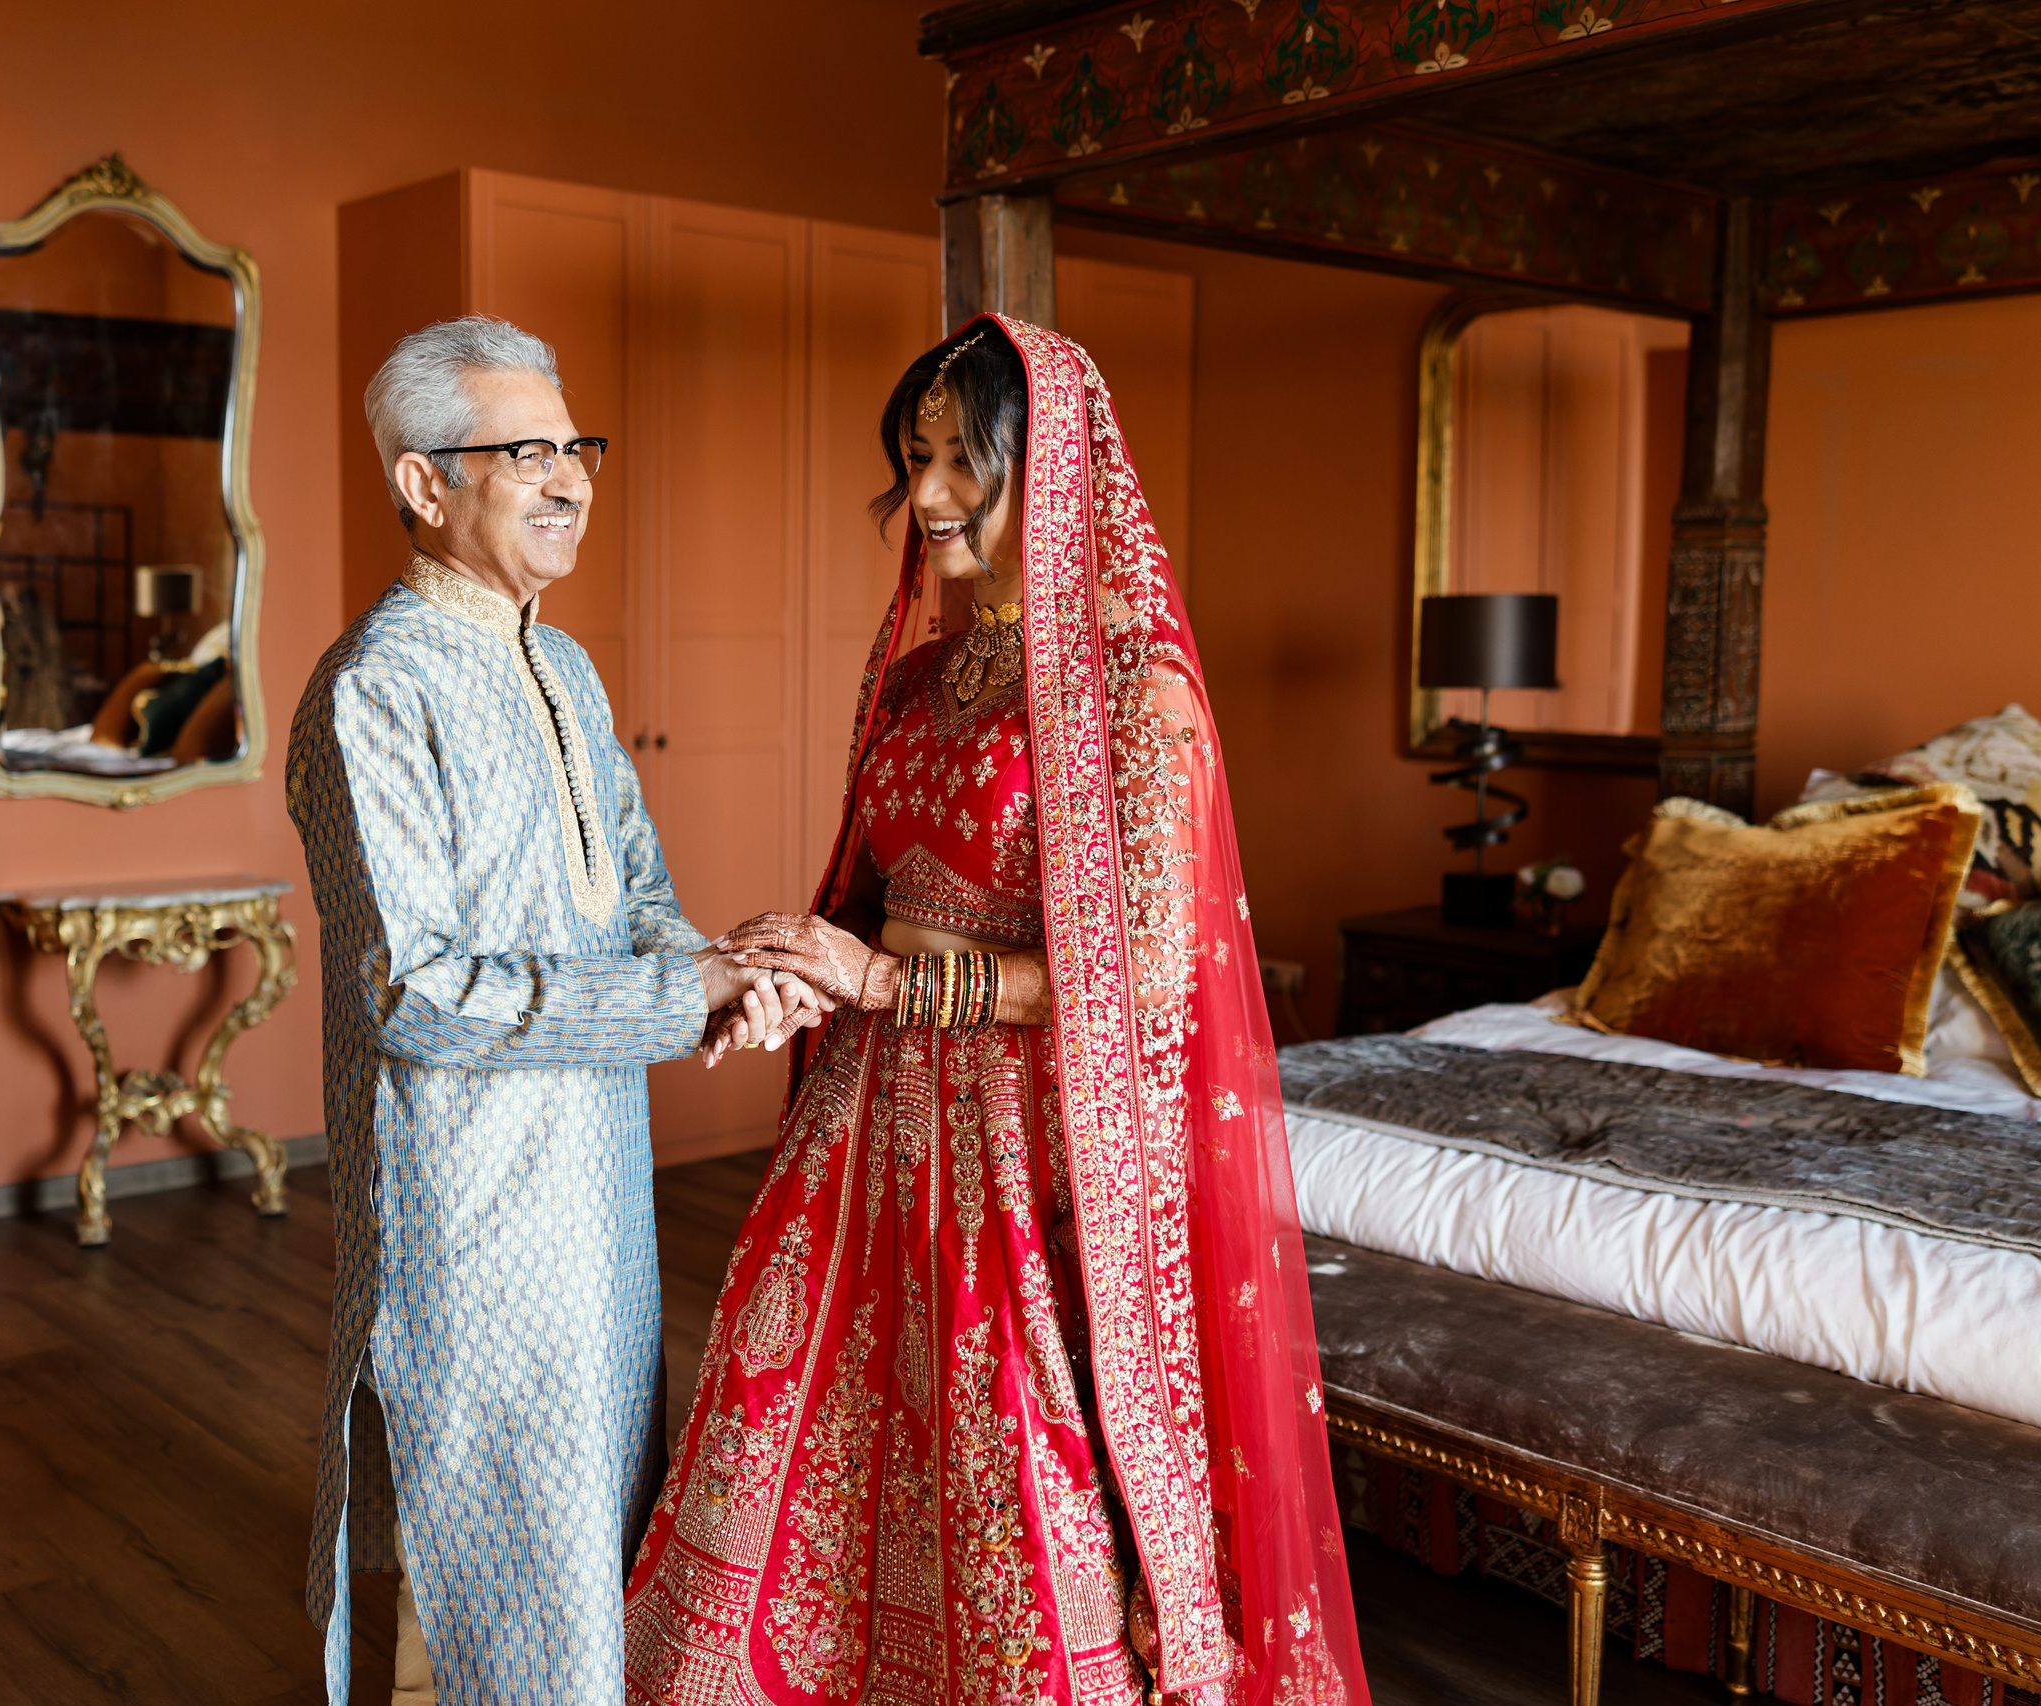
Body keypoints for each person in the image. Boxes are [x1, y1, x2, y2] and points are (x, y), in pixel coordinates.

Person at [621, 317, 1370, 1705]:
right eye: (915, 462)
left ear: (1059, 472)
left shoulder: (1135, 702)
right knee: (800, 1433)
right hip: (859, 1141)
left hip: (1020, 1159)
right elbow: (874, 896)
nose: (928, 499)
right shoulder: (914, 679)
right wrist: (797, 973)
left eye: (964, 462)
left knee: (1000, 1451)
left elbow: (1137, 975)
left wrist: (886, 982)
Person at [287, 316, 816, 1706]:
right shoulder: (372, 692)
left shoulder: (563, 665)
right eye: (524, 451)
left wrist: (712, 974)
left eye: (573, 445)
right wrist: (674, 991)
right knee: (488, 1518)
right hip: (467, 1194)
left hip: (599, 1174)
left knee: (601, 1496)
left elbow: (637, 883)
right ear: (423, 486)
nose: (568, 477)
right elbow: (416, 992)